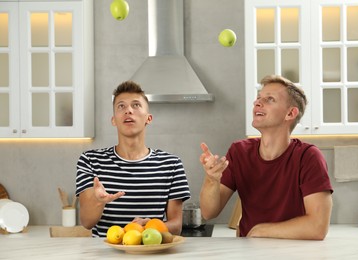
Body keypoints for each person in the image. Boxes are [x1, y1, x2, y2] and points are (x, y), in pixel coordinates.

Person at [199, 75, 333, 240]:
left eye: (270, 99)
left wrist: (260, 231)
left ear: (290, 113)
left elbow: (317, 227)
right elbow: (208, 212)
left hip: (295, 251)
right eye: (258, 98)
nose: (257, 103)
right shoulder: (238, 152)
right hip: (250, 251)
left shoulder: (309, 157)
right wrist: (212, 179)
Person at [76, 80, 191, 237]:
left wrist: (145, 229)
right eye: (121, 106)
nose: (128, 110)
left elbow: (176, 226)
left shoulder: (171, 164)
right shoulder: (90, 160)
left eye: (136, 105)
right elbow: (86, 222)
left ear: (148, 118)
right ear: (114, 120)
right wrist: (98, 201)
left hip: (151, 252)